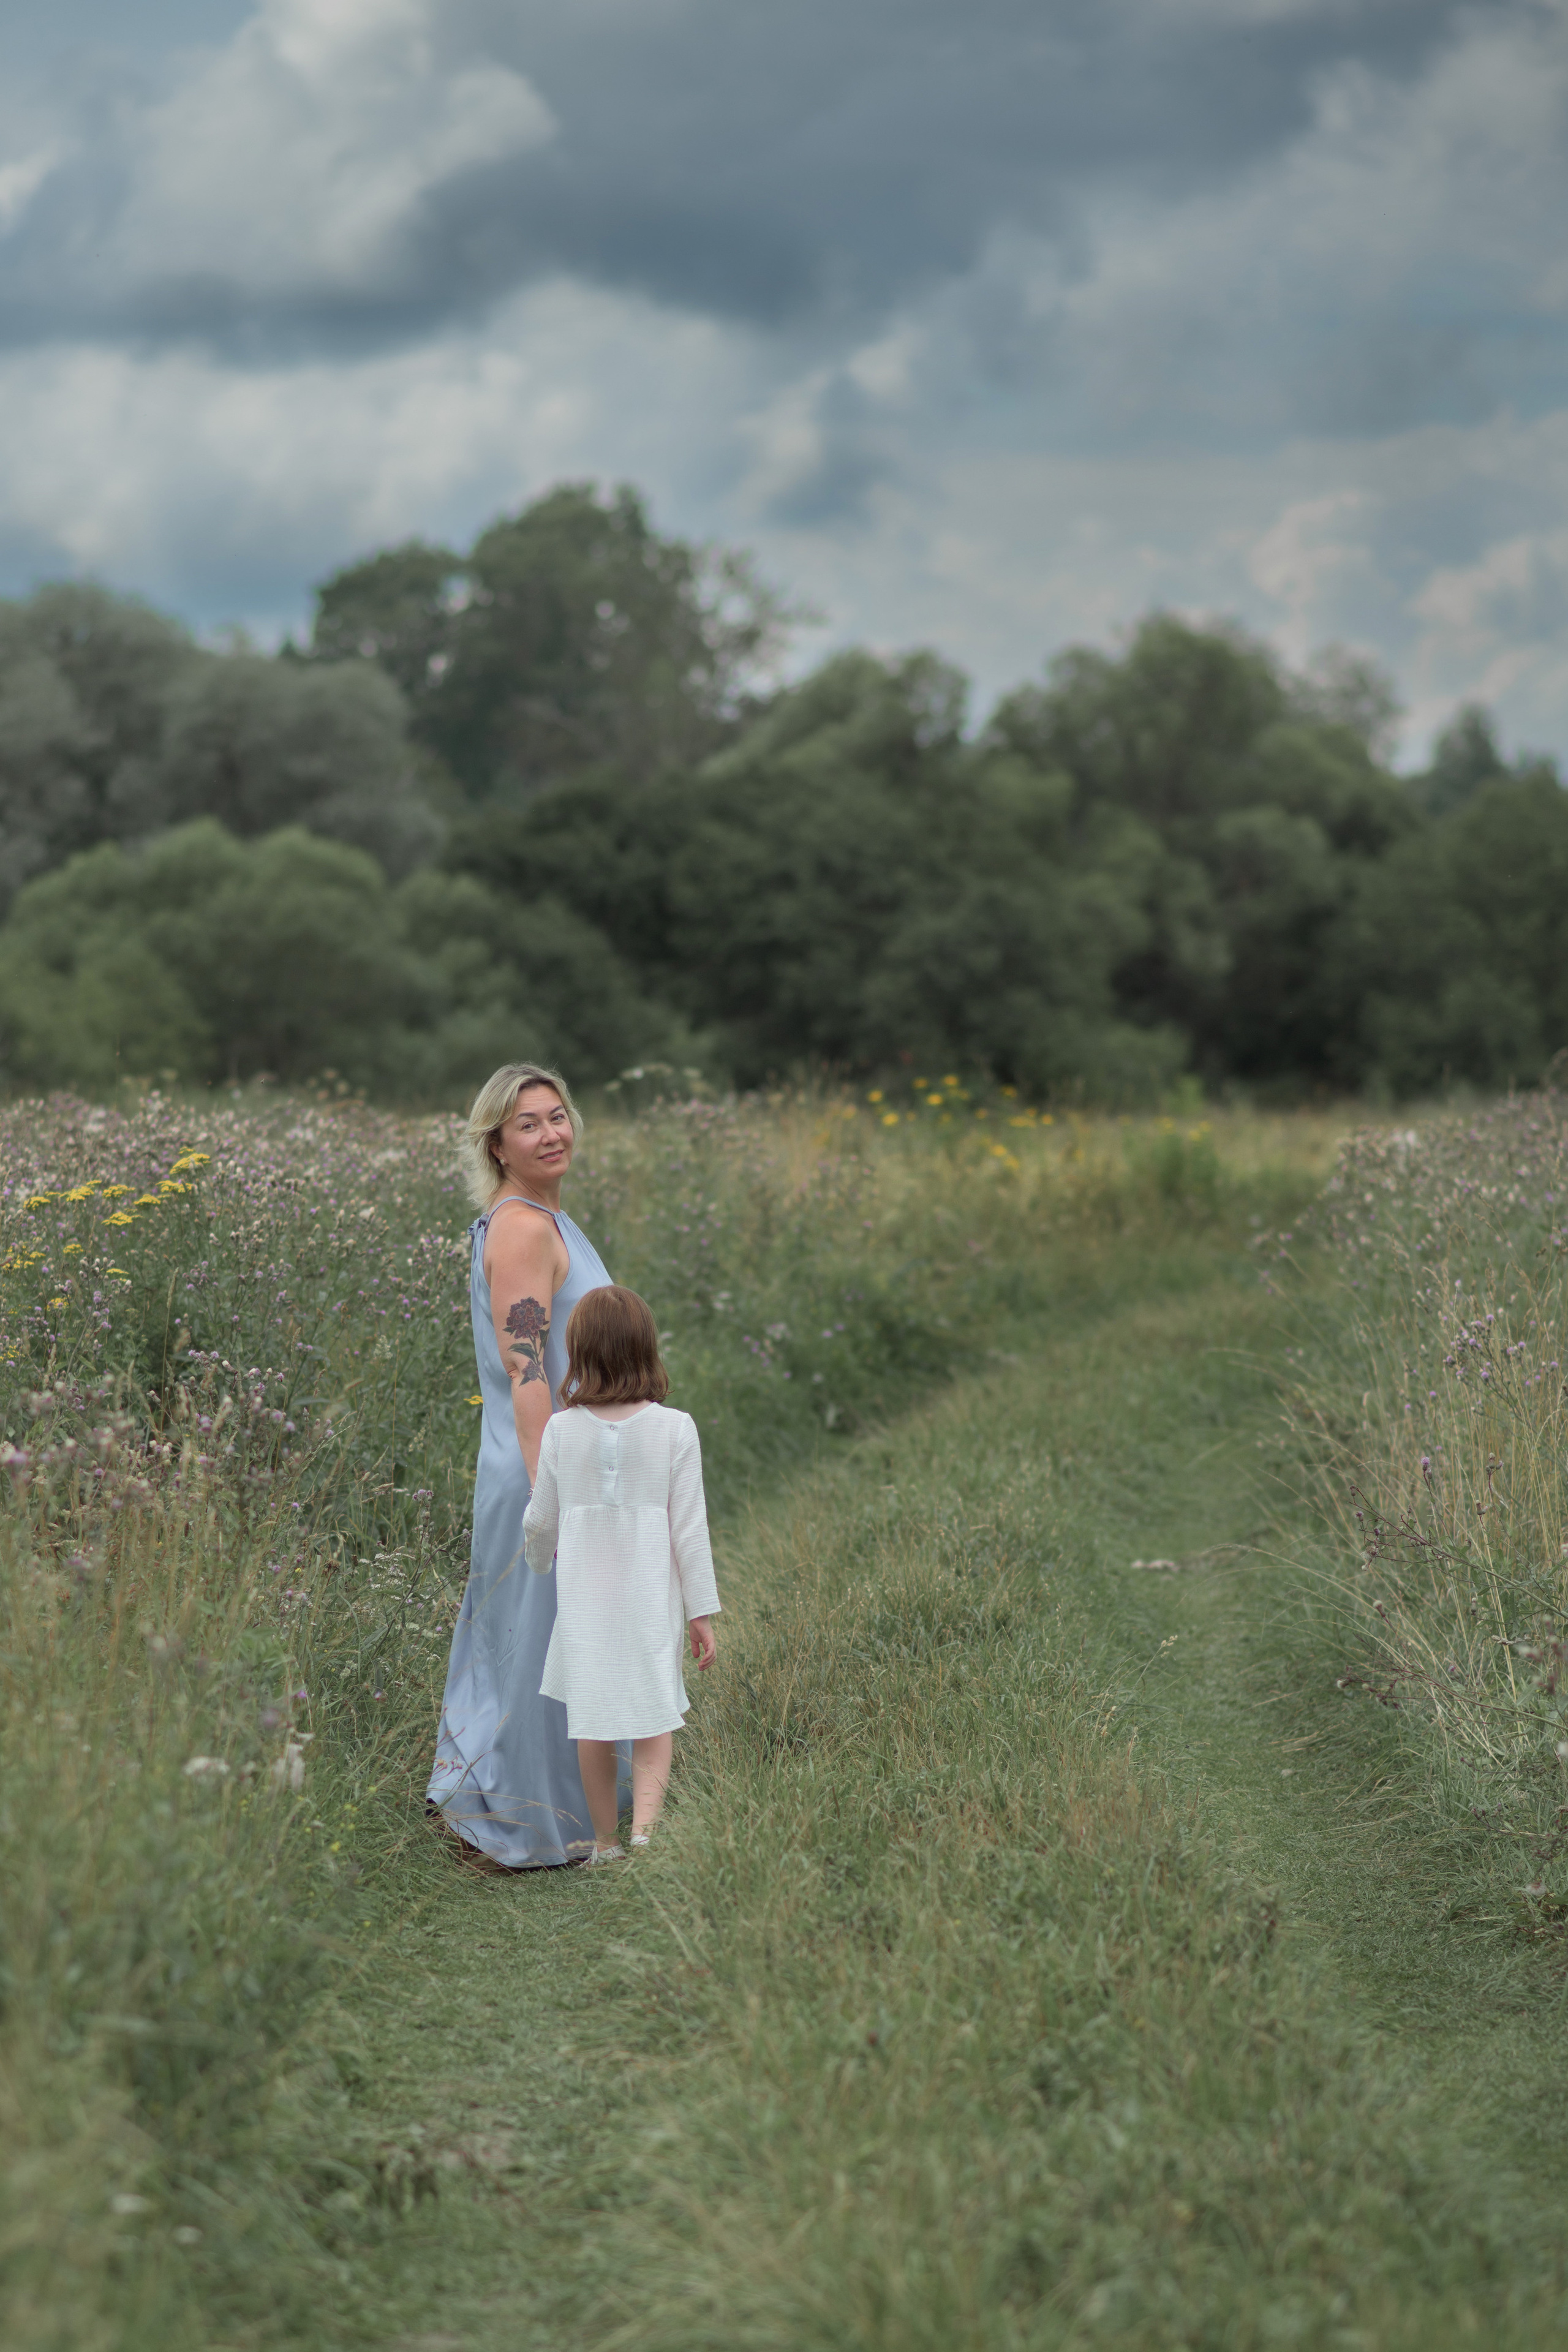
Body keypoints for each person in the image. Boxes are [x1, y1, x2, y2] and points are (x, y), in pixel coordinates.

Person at [426, 1061, 622, 1869]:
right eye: (529, 1124)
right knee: (533, 1646)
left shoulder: (551, 1220)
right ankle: (508, 1822)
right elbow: (528, 1368)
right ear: (498, 1145)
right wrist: (553, 1491)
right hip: (541, 1469)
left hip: (564, 1461)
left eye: (557, 1116)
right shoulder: (521, 1229)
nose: (551, 1133)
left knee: (543, 1639)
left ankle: (557, 1812)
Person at [522, 1285, 720, 1862]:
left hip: (585, 1601)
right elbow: (691, 1530)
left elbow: (540, 1522)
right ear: (645, 1348)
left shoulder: (562, 1431)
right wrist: (700, 1612)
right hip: (649, 1599)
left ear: (579, 1351)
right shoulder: (675, 1429)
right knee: (655, 1713)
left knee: (595, 1721)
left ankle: (605, 1844)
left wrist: (537, 1561)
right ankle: (646, 1836)